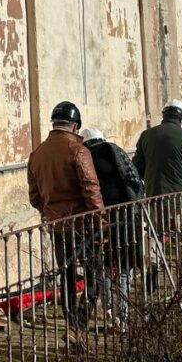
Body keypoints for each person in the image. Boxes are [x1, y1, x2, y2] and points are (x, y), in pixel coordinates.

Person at [27, 101, 105, 338]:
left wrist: (51, 212)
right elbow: (91, 189)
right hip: (84, 224)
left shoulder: (37, 153)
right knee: (95, 274)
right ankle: (80, 323)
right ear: (75, 126)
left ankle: (71, 322)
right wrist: (101, 220)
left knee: (67, 275)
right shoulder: (78, 150)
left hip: (57, 226)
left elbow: (34, 197)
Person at [80, 127, 144, 330]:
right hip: (126, 218)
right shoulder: (116, 151)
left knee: (104, 268)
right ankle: (122, 316)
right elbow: (136, 182)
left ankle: (109, 312)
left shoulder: (84, 159)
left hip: (101, 221)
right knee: (124, 269)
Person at [132, 99, 182, 196]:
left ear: (163, 115)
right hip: (180, 198)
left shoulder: (146, 135)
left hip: (154, 197)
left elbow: (137, 166)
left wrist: (150, 180)